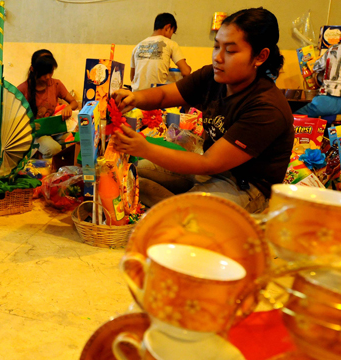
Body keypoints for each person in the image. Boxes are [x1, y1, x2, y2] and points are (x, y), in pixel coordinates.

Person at [112, 7, 294, 213]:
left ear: (260, 57)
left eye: (231, 51)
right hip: (208, 172)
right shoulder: (212, 76)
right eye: (217, 47)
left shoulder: (266, 107)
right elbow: (163, 95)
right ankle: (182, 207)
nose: (218, 57)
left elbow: (209, 163)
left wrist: (144, 148)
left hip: (245, 185)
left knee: (190, 215)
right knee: (134, 173)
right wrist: (134, 97)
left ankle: (185, 210)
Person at [17, 50, 78, 158]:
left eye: (51, 72)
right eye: (44, 73)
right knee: (53, 149)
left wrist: (68, 107)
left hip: (55, 128)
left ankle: (65, 172)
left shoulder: (56, 84)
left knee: (74, 141)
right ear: (33, 69)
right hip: (36, 133)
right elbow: (13, 118)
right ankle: (49, 173)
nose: (48, 77)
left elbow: (74, 102)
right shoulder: (22, 89)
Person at [130, 13, 191, 91]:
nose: (171, 36)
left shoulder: (137, 46)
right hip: (155, 95)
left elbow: (132, 77)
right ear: (168, 28)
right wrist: (188, 68)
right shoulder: (171, 44)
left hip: (136, 96)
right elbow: (186, 72)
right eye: (172, 32)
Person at [295, 44, 341, 117]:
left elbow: (316, 67)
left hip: (327, 100)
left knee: (294, 117)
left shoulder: (334, 49)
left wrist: (320, 58)